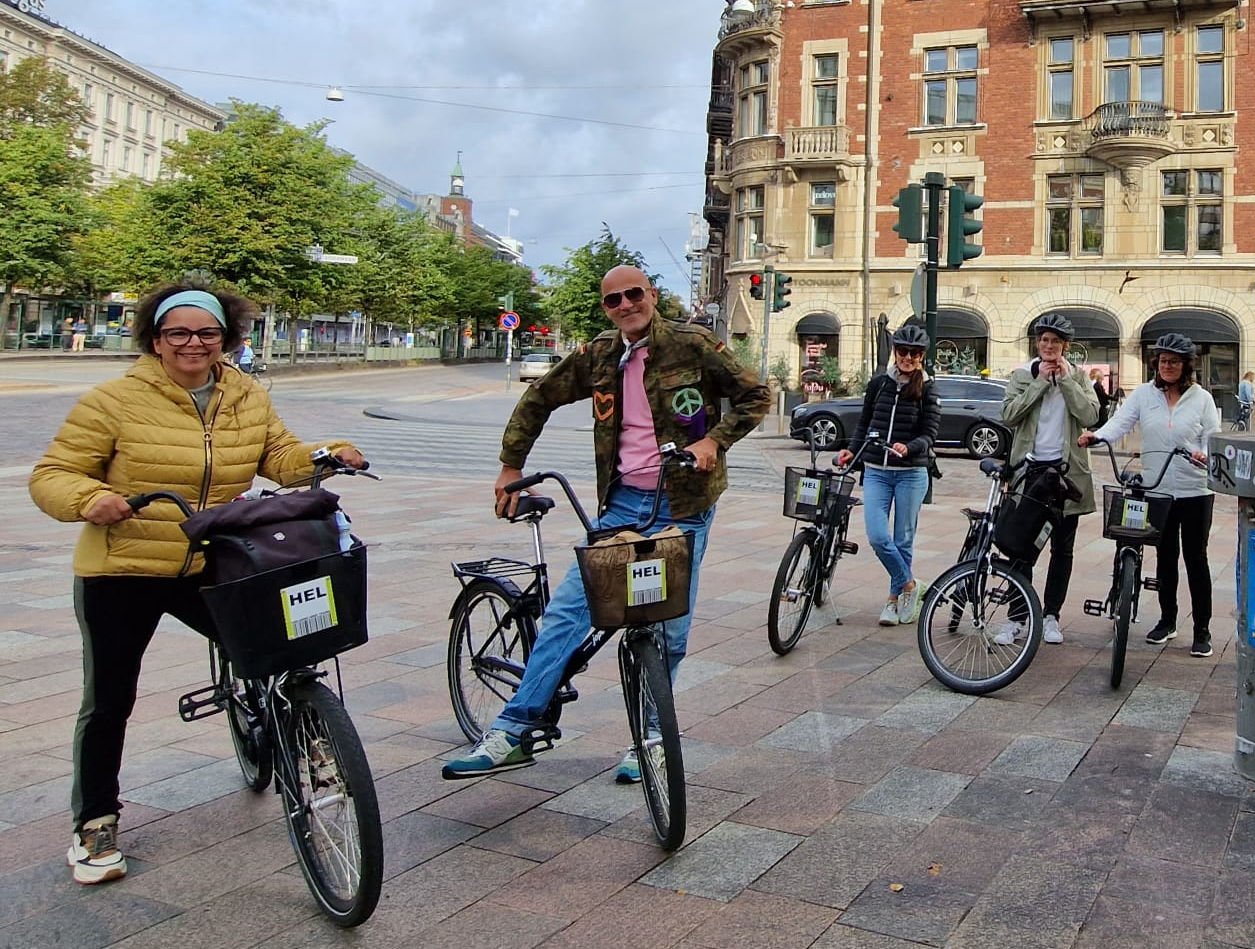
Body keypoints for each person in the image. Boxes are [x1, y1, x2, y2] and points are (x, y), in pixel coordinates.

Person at [31, 278, 366, 885]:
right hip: (124, 569)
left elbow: (281, 457)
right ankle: (95, 822)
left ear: (226, 337)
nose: (193, 343)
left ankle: (301, 735)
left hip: (211, 559)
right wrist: (90, 498)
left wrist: (326, 454)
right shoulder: (113, 401)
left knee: (281, 650)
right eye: (177, 332)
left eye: (206, 332)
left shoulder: (246, 395)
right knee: (109, 699)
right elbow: (52, 474)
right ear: (155, 340)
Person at [444, 266, 770, 781]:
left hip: (681, 506)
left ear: (652, 296)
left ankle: (651, 740)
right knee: (569, 613)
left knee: (669, 630)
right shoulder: (598, 355)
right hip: (620, 507)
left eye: (634, 294)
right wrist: (511, 467)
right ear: (606, 308)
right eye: (613, 300)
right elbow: (537, 399)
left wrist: (714, 441)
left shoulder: (693, 344)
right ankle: (513, 729)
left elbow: (757, 395)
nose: (625, 305)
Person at [1080, 333, 1222, 657]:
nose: (1167, 366)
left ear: (1186, 366)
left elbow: (1212, 437)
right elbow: (1120, 423)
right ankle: (1167, 620)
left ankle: (1202, 629)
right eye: (1162, 361)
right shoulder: (1144, 395)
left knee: (1196, 559)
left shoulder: (1201, 399)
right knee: (1165, 556)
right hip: (1157, 489)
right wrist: (1096, 437)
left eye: (1174, 361)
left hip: (1194, 490)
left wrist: (1202, 453)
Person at [999, 312, 1099, 645]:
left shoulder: (1079, 378)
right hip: (1031, 473)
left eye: (1056, 342)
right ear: (1038, 344)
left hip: (1066, 473)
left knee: (1062, 548)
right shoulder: (1022, 375)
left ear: (1065, 346)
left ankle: (1051, 616)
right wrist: (1041, 383)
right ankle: (1017, 617)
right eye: (1044, 340)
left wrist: (1066, 382)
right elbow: (1009, 415)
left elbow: (1090, 415)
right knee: (1019, 547)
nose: (1049, 347)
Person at [835, 324, 941, 625]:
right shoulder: (879, 384)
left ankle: (893, 602)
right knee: (878, 537)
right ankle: (911, 585)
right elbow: (863, 422)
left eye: (915, 353)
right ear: (895, 352)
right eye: (902, 351)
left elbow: (929, 434)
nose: (908, 357)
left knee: (903, 539)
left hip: (910, 473)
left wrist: (908, 448)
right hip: (877, 472)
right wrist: (851, 452)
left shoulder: (929, 388)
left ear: (922, 356)